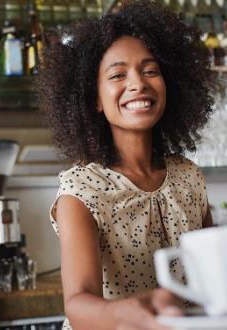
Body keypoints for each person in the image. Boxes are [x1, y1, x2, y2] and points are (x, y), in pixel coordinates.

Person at [38, 1, 217, 329]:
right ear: (94, 98)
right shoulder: (81, 191)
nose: (138, 83)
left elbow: (215, 272)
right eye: (118, 74)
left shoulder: (189, 177)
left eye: (150, 70)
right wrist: (132, 313)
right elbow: (78, 304)